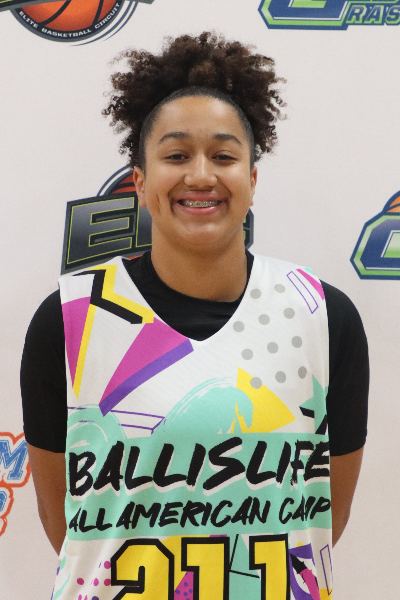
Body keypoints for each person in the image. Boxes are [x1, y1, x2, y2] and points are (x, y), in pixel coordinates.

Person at [21, 32, 368, 600]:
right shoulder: (68, 319)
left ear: (251, 180)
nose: (201, 176)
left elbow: (325, 518)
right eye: (177, 155)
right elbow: (69, 527)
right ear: (140, 182)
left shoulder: (324, 317)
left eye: (224, 156)